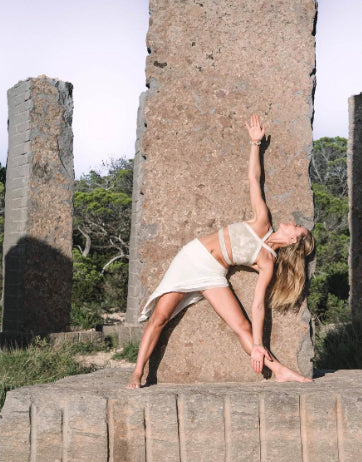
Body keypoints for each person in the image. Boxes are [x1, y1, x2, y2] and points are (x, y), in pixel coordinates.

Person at [126, 114, 315, 389]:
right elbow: (254, 179)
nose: (293, 223)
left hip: (214, 274)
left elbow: (258, 305)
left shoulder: (268, 261)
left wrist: (260, 344)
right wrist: (255, 144)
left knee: (244, 328)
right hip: (193, 258)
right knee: (160, 318)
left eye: (296, 228)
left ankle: (279, 370)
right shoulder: (262, 221)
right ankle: (136, 374)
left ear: (291, 242)